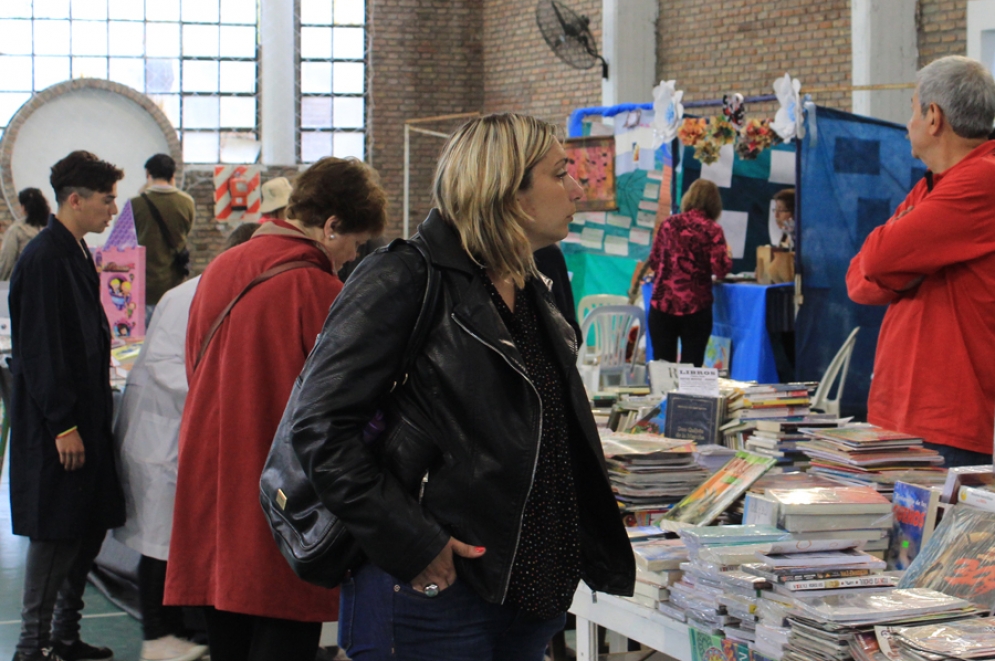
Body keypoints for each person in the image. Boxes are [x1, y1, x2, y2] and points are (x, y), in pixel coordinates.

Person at [285, 113, 635, 660]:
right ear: (509, 192)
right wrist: (413, 541)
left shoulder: (530, 284)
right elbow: (319, 430)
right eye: (560, 173)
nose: (576, 188)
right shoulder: (403, 277)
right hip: (435, 592)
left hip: (528, 590)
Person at [164, 157, 387, 661]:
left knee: (228, 630)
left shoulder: (222, 267)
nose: (351, 258)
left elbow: (193, 367)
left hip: (214, 482)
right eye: (353, 243)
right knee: (283, 628)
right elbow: (345, 408)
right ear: (330, 227)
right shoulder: (320, 289)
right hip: (285, 497)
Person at [113, 223, 259, 661]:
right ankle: (159, 635)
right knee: (160, 543)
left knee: (176, 541)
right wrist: (226, 392)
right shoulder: (187, 296)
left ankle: (180, 631)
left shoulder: (226, 289)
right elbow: (165, 364)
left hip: (184, 436)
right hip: (162, 438)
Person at [847, 55, 995, 467]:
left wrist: (901, 267)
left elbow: (876, 259)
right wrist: (904, 266)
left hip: (942, 424)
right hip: (901, 415)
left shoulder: (983, 179)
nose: (908, 122)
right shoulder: (932, 184)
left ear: (934, 117)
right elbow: (858, 281)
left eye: (911, 108)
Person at [8, 151, 126, 661]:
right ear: (75, 200)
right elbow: (39, 352)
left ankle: (65, 635)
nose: (113, 210)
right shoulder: (44, 259)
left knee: (86, 525)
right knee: (55, 534)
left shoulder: (76, 252)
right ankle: (31, 646)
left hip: (87, 418)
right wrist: (63, 426)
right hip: (61, 426)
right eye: (106, 199)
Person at [632, 178, 732, 367]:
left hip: (662, 305)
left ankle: (663, 397)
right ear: (715, 203)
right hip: (696, 307)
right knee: (691, 370)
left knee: (663, 369)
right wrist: (728, 255)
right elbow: (720, 269)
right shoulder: (713, 230)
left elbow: (654, 261)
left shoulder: (669, 224)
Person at [132, 153, 195, 322]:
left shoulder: (134, 203)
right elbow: (185, 233)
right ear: (172, 175)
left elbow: (123, 243)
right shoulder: (187, 202)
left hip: (143, 288)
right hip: (174, 286)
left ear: (148, 174)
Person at [0, 188, 51, 280]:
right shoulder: (51, 230)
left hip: (22, 285)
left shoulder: (16, 231)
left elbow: (6, 262)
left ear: (24, 207)